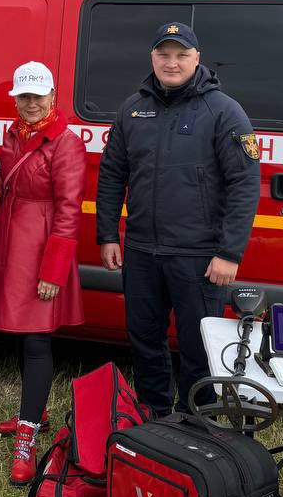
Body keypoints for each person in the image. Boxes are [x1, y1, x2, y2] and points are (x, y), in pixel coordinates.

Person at [95, 22, 261, 419]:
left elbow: (244, 185)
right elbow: (112, 175)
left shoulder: (223, 111)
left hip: (198, 256)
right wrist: (108, 234)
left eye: (181, 55)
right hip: (141, 252)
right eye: (164, 54)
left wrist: (229, 252)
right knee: (144, 340)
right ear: (152, 58)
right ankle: (152, 415)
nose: (172, 63)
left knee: (198, 347)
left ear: (197, 58)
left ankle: (194, 420)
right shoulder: (132, 109)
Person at [0, 62, 85, 485]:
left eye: (38, 96)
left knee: (38, 340)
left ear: (53, 96)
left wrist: (53, 271)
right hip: (10, 243)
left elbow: (69, 212)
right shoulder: (14, 134)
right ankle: (35, 415)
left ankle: (27, 440)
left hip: (41, 249)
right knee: (22, 335)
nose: (31, 103)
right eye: (24, 96)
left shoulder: (66, 144)